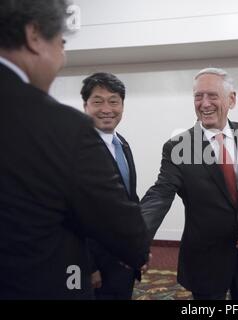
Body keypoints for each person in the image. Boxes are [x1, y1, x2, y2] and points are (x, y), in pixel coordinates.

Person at [0, 0, 150, 299]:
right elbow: (116, 220)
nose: (62, 57)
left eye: (114, 102)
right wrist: (134, 249)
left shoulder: (124, 145)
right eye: (62, 43)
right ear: (34, 35)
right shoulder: (62, 128)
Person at [140, 67, 238, 300]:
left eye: (212, 96)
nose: (204, 103)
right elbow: (160, 194)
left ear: (232, 99)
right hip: (205, 259)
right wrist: (137, 238)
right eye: (198, 96)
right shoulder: (178, 147)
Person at [81, 72, 140, 300]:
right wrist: (88, 265)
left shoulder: (122, 144)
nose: (107, 109)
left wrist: (138, 247)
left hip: (123, 260)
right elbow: (70, 216)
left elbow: (129, 200)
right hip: (94, 264)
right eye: (98, 101)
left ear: (122, 105)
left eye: (113, 101)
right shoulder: (76, 150)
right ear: (85, 105)